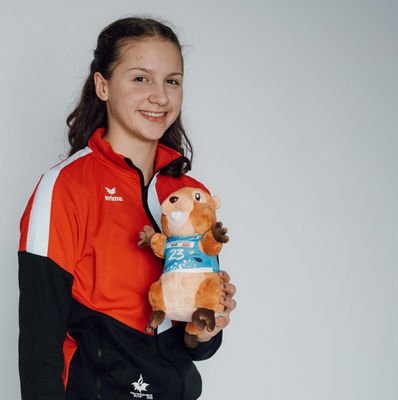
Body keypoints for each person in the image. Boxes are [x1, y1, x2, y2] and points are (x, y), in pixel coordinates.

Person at [18, 16, 237, 400]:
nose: (160, 97)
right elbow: (40, 343)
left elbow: (194, 348)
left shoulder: (191, 195)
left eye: (172, 81)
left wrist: (206, 330)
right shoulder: (66, 186)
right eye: (141, 78)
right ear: (102, 85)